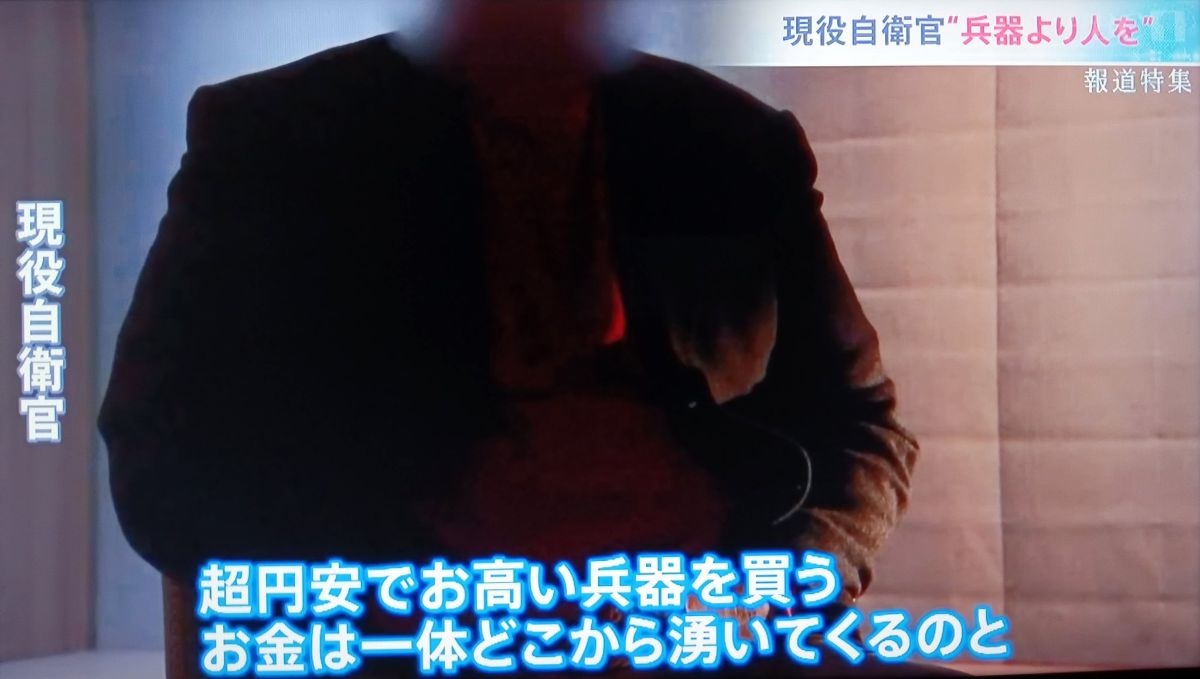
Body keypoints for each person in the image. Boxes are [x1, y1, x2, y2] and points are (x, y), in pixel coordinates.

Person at [99, 1, 953, 676]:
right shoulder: (280, 142)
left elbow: (863, 425)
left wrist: (754, 596)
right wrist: (428, 544)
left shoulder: (734, 143)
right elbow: (158, 448)